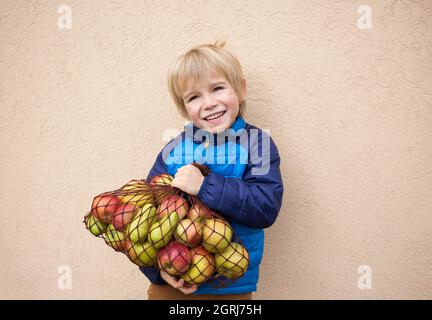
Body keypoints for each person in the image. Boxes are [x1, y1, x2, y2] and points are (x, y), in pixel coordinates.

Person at [141, 40, 284, 300]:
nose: (208, 103)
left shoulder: (258, 144)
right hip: (172, 284)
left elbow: (265, 207)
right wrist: (159, 270)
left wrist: (205, 186)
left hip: (229, 286)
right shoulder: (173, 149)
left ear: (241, 89)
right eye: (194, 97)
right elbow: (144, 218)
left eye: (217, 88)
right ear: (185, 108)